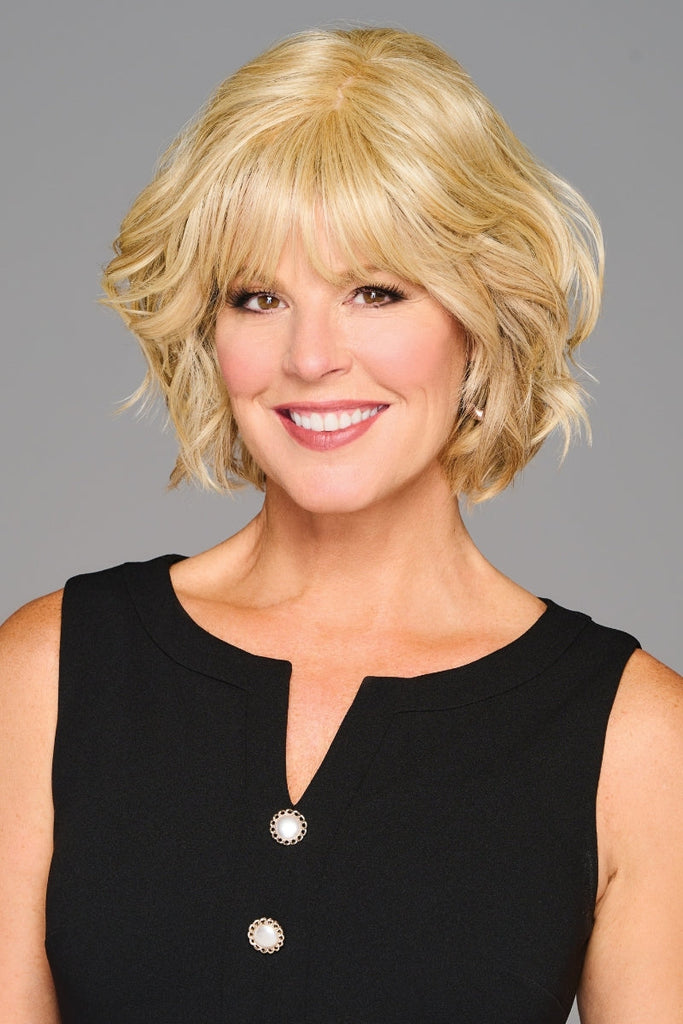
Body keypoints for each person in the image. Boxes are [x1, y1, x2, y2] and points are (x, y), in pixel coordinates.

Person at [1, 26, 681, 1024]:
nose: (311, 356)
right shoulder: (47, 673)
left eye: (374, 291)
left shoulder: (633, 738)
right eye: (259, 296)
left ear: (479, 319)